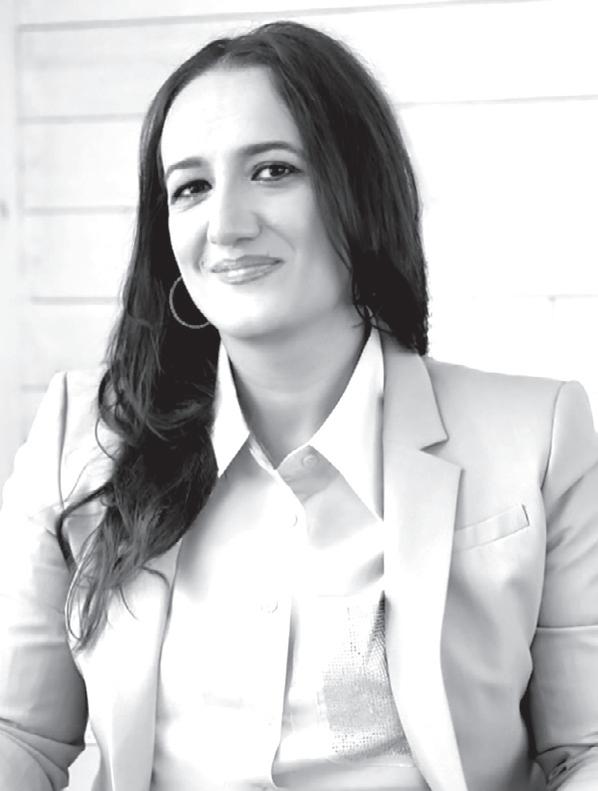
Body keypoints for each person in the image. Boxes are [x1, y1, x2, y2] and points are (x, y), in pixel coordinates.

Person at [1, 19, 597, 791]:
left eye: (274, 171)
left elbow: (586, 748)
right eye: (191, 187)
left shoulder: (538, 435)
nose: (227, 225)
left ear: (359, 191)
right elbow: (20, 734)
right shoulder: (79, 435)